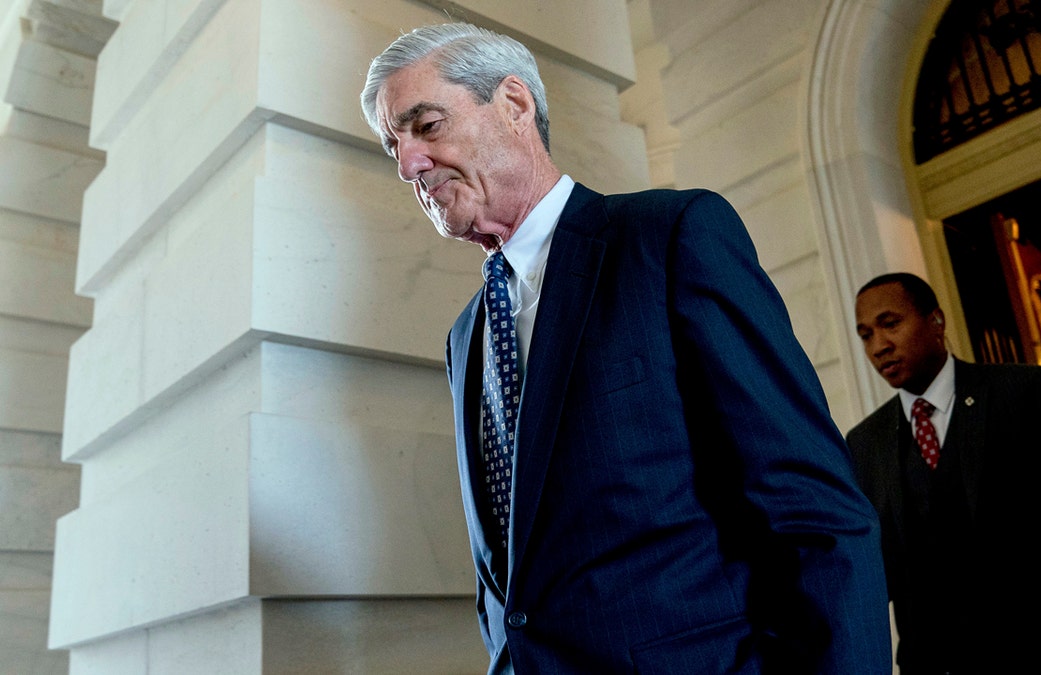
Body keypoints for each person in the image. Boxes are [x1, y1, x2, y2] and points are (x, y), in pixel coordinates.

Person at [359, 22, 891, 675]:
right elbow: (507, 578)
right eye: (394, 143)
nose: (408, 162)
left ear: (515, 105)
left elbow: (817, 513)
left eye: (427, 125)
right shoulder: (466, 336)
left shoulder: (670, 238)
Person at [845, 272, 1041, 674]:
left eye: (890, 324)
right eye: (865, 335)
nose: (879, 346)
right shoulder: (864, 443)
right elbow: (878, 576)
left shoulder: (1025, 393)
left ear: (936, 321)